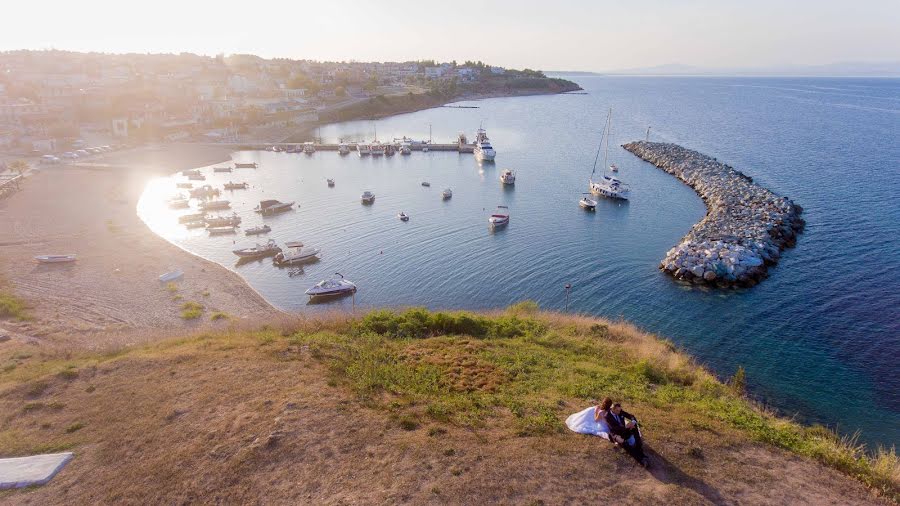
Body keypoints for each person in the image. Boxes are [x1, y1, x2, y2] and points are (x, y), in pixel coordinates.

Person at [605, 402, 650, 468]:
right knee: (625, 444)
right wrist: (626, 427)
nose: (619, 412)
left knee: (634, 429)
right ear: (612, 409)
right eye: (617, 411)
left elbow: (631, 416)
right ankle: (641, 460)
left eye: (620, 410)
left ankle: (641, 452)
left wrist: (633, 422)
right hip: (616, 434)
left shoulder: (620, 411)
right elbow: (614, 428)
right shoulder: (607, 416)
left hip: (624, 430)